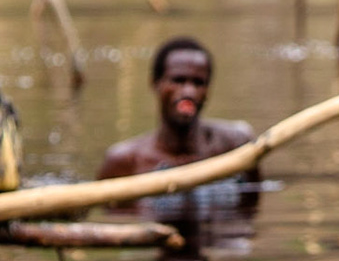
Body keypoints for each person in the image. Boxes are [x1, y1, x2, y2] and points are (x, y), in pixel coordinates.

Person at [97, 37, 258, 195]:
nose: (188, 92)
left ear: (208, 90)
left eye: (198, 83)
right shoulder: (125, 162)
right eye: (178, 80)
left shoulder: (237, 147)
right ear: (155, 83)